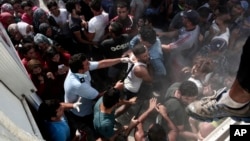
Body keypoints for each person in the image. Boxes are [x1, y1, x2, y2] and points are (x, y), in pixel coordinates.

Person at [64, 53, 130, 138]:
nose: (89, 64)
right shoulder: (78, 84)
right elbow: (98, 96)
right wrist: (116, 88)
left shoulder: (79, 68)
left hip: (87, 101)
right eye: (87, 64)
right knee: (96, 131)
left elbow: (102, 64)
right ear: (80, 70)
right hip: (82, 112)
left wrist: (120, 60)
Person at [186, 36, 250, 122]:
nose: (213, 52)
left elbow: (223, 77)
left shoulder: (219, 68)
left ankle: (234, 102)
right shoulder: (204, 52)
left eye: (198, 69)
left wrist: (211, 91)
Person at [115, 43, 153, 117]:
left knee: (121, 101)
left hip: (126, 82)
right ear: (138, 57)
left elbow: (127, 53)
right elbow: (150, 80)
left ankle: (113, 109)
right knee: (126, 106)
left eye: (147, 54)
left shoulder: (132, 54)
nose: (147, 57)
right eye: (144, 56)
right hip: (132, 90)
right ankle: (114, 116)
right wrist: (149, 64)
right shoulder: (140, 69)